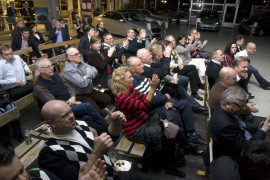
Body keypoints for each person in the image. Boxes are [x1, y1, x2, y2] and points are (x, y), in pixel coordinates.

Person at [38, 100, 154, 180]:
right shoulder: (49, 153)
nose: (71, 116)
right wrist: (97, 152)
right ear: (51, 123)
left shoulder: (81, 124)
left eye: (71, 111)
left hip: (114, 174)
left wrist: (115, 123)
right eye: (65, 116)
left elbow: (110, 134)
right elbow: (79, 178)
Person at [112, 66, 187, 177]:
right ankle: (169, 166)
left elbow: (146, 100)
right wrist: (152, 88)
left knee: (172, 131)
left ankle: (169, 160)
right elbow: (145, 105)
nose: (133, 79)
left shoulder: (130, 90)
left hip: (144, 120)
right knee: (168, 135)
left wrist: (151, 92)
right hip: (135, 130)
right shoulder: (121, 97)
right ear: (121, 81)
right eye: (129, 78)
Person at [127, 56, 206, 145]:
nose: (142, 66)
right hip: (153, 110)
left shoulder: (142, 76)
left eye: (142, 63)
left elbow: (155, 91)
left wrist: (165, 99)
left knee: (184, 104)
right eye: (139, 65)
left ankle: (192, 134)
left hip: (160, 103)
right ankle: (184, 144)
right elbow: (150, 101)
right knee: (174, 111)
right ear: (132, 69)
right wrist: (165, 97)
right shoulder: (134, 82)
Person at [34, 58, 105, 124]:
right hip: (59, 111)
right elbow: (54, 103)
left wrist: (73, 97)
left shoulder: (57, 75)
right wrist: (74, 103)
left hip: (71, 103)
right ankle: (105, 125)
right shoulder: (39, 87)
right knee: (87, 106)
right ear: (40, 70)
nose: (51, 68)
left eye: (51, 66)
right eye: (48, 67)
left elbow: (69, 87)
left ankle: (96, 131)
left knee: (87, 118)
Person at [208, 86, 270, 161]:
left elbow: (242, 125)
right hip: (235, 157)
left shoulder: (224, 110)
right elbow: (247, 148)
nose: (244, 108)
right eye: (241, 106)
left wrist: (259, 129)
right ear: (228, 104)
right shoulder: (225, 126)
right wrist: (264, 130)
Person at [137, 47, 207, 113]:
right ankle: (192, 106)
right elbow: (164, 72)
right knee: (180, 84)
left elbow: (163, 70)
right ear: (142, 60)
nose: (151, 56)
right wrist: (167, 56)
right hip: (159, 89)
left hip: (163, 83)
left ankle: (194, 106)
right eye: (148, 55)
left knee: (180, 83)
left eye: (150, 54)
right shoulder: (145, 69)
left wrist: (166, 58)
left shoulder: (150, 63)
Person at [62, 47, 112, 114]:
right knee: (98, 112)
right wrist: (89, 73)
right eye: (76, 54)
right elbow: (83, 84)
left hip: (90, 91)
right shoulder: (68, 70)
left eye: (79, 53)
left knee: (108, 100)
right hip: (80, 95)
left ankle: (92, 109)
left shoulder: (81, 63)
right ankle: (93, 110)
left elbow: (95, 70)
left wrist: (86, 76)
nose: (79, 55)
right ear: (70, 57)